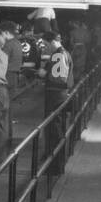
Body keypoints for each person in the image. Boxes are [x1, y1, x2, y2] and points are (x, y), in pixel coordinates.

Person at [39, 33, 74, 177]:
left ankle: (54, 165)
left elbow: (58, 77)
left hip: (55, 94)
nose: (46, 47)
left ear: (53, 42)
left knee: (54, 128)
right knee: (57, 127)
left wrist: (43, 73)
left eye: (47, 44)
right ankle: (54, 161)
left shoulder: (58, 55)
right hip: (62, 94)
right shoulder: (66, 53)